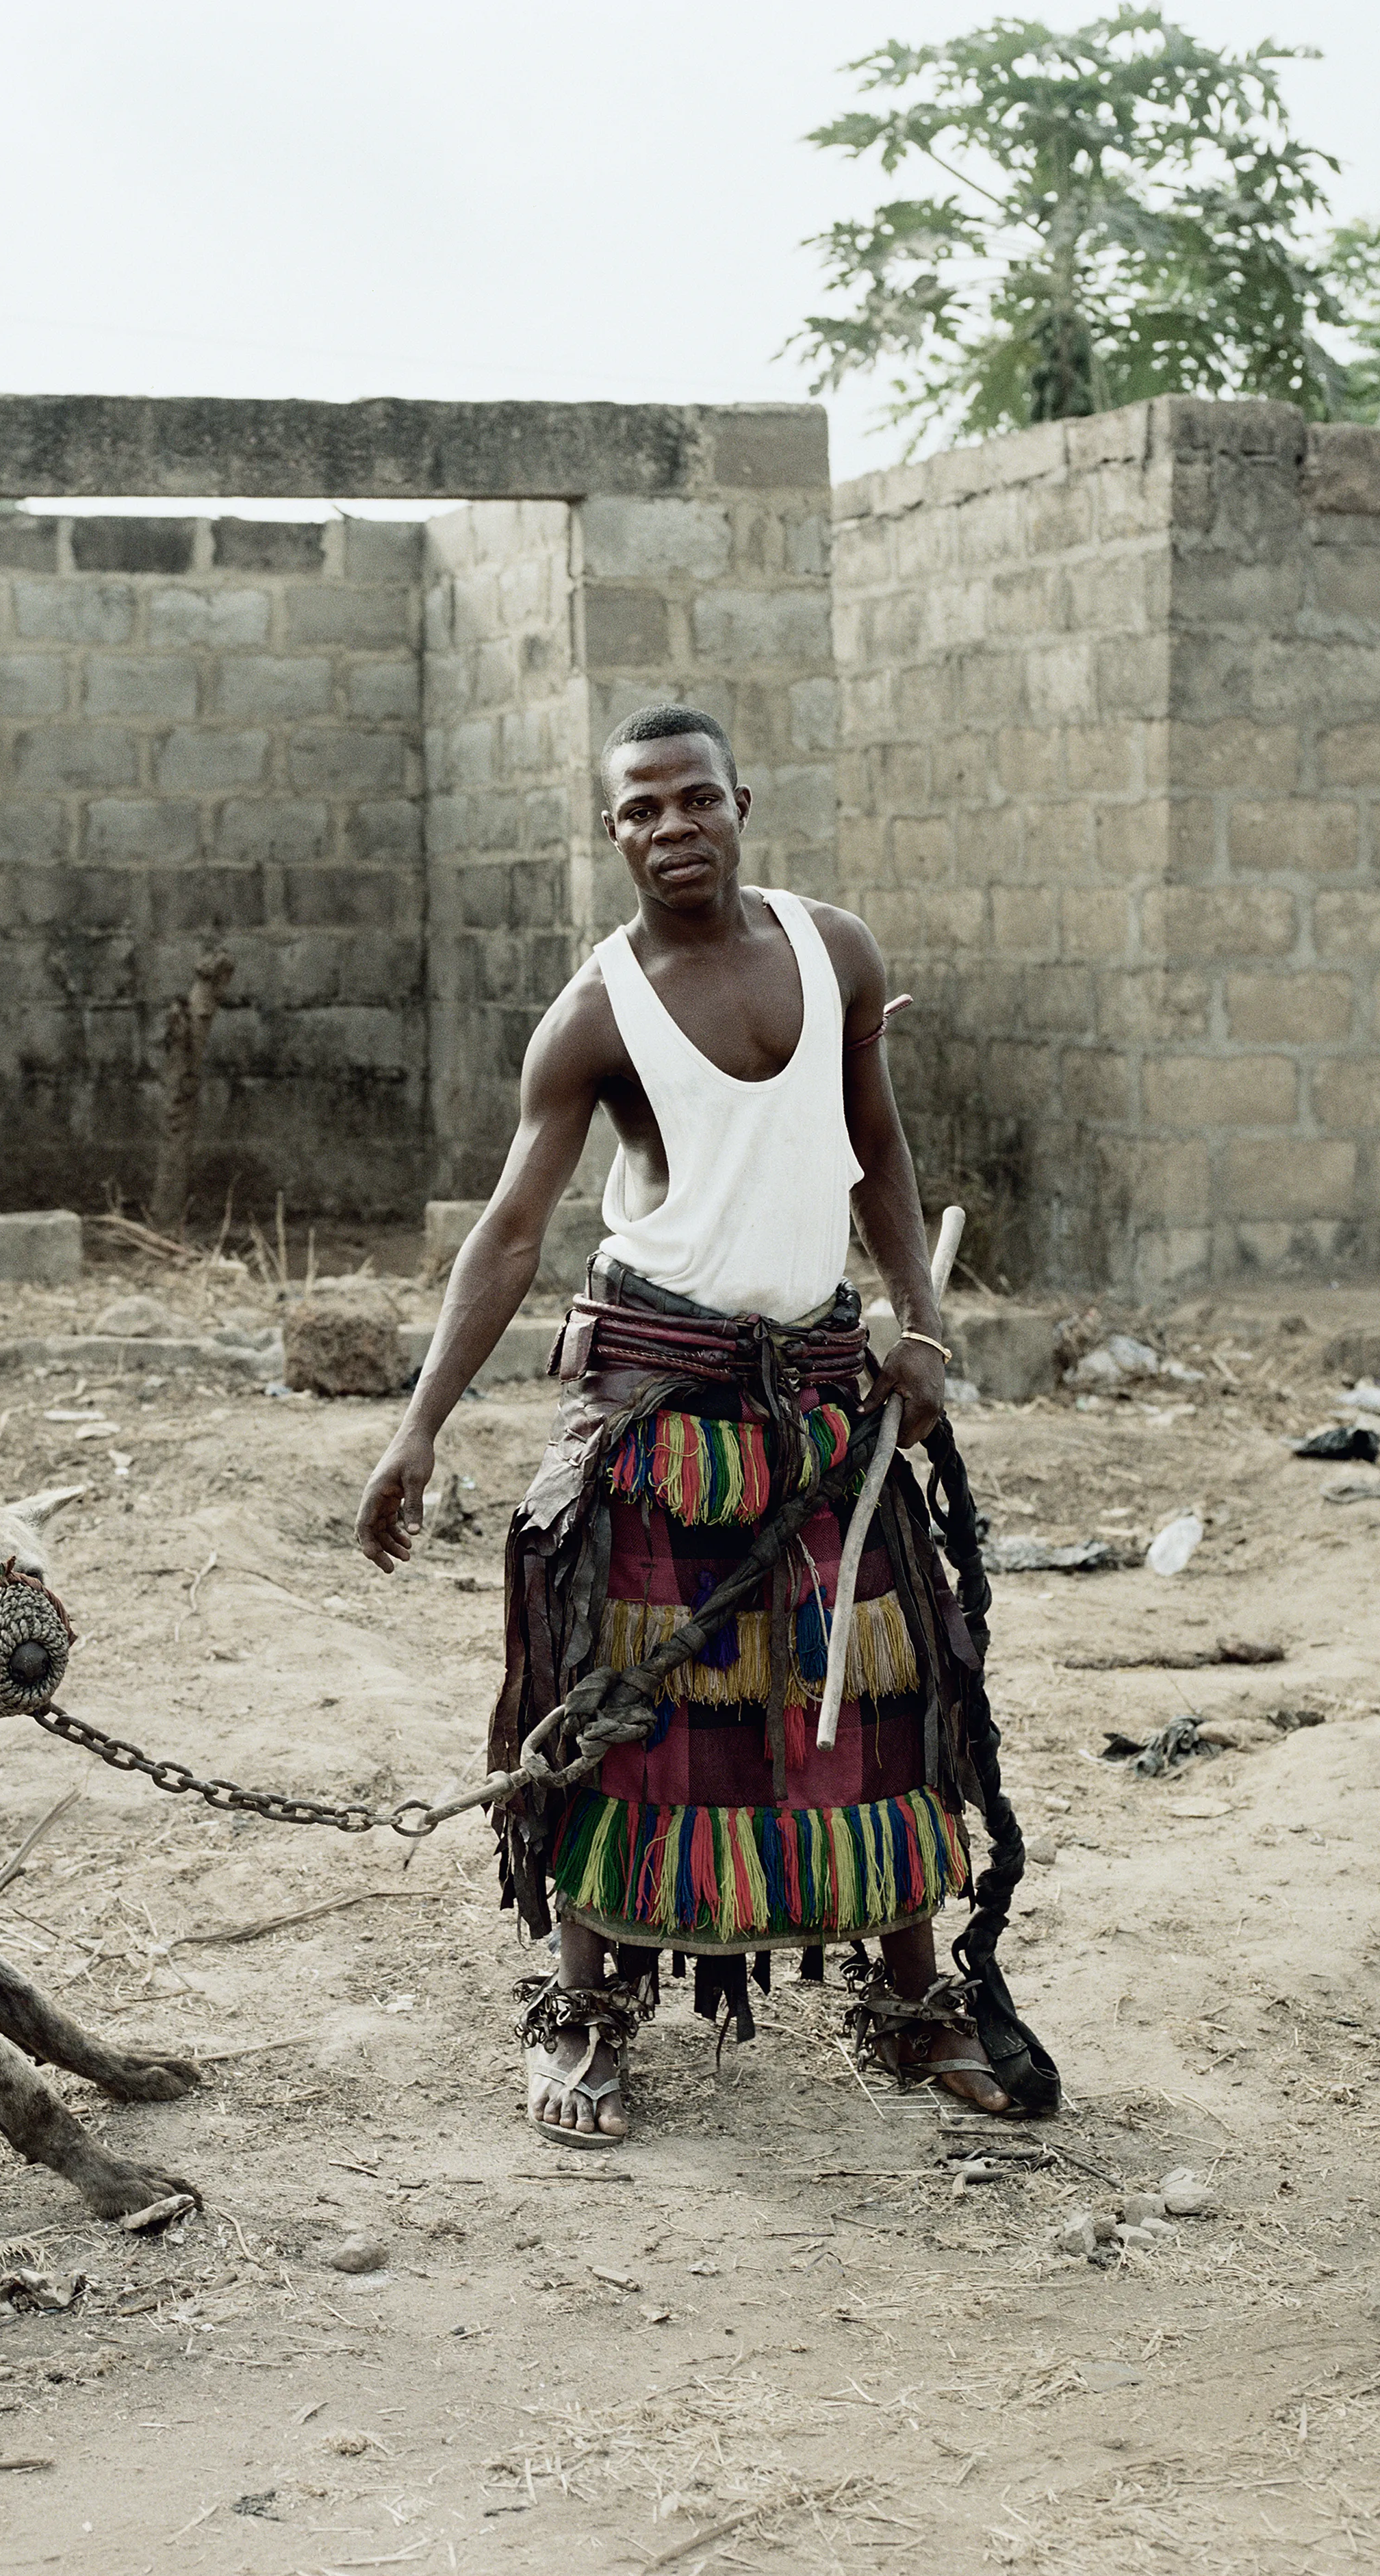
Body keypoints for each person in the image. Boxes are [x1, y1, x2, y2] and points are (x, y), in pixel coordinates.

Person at [354, 703, 1012, 2143]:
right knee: (627, 1714)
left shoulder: (836, 951)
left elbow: (874, 1145)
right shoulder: (596, 1013)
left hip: (823, 1404)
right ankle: (587, 2013)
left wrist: (920, 1317)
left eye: (694, 800)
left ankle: (908, 2003)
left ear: (741, 803)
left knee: (874, 1703)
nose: (671, 829)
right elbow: (513, 1230)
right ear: (613, 832)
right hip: (658, 1403)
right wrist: (416, 1432)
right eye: (640, 810)